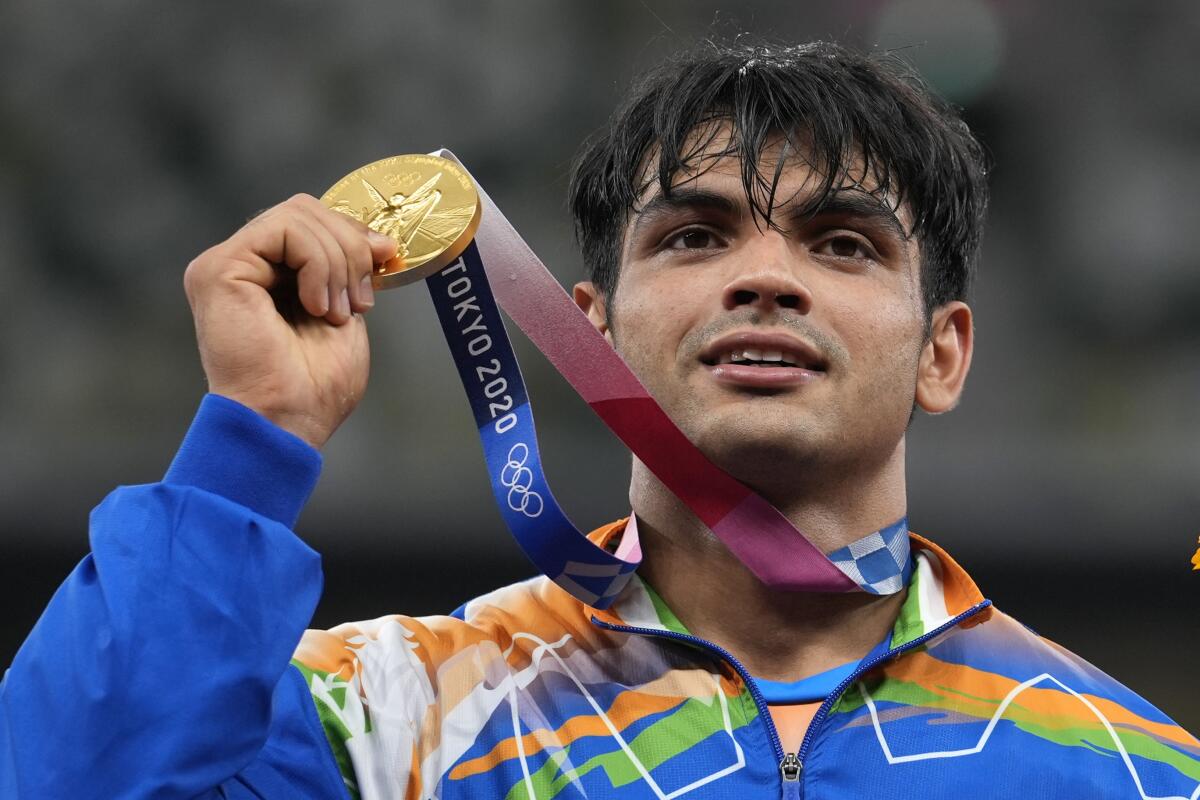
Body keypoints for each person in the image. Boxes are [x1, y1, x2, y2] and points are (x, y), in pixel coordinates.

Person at [2, 40, 1198, 800]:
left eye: (841, 243)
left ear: (944, 351)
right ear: (595, 329)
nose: (764, 278)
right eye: (694, 235)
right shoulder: (383, 719)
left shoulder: (1129, 766)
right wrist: (249, 439)